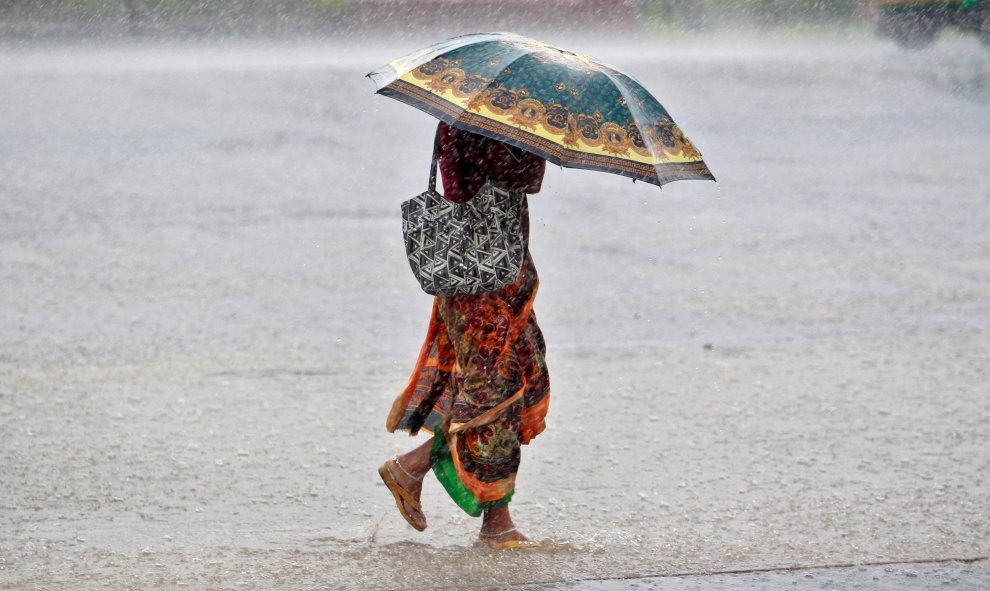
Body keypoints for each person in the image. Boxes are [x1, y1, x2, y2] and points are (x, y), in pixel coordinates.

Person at [378, 121, 550, 549]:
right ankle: (492, 520)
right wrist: (530, 145)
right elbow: (507, 180)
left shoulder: (497, 122)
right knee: (492, 393)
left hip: (504, 274)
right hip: (476, 280)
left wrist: (529, 141)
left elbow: (528, 180)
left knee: (518, 380)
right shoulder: (468, 124)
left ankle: (432, 479)